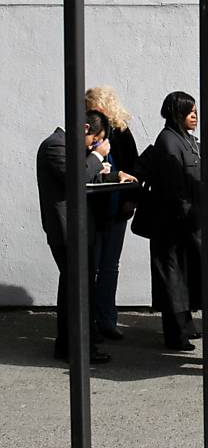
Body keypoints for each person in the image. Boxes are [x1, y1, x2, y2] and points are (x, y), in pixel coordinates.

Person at [36, 110, 134, 363]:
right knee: (76, 292)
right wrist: (96, 156)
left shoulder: (68, 147)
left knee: (78, 290)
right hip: (68, 232)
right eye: (95, 139)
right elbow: (76, 178)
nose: (94, 145)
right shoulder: (55, 146)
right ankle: (75, 349)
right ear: (85, 128)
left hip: (80, 229)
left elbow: (88, 177)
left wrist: (113, 175)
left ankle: (73, 347)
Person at [147, 92, 203, 351]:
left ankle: (186, 326)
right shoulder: (168, 141)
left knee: (185, 276)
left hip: (187, 221)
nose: (195, 116)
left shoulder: (186, 140)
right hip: (172, 225)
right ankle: (175, 334)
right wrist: (189, 217)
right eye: (189, 112)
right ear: (176, 114)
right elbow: (174, 188)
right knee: (172, 279)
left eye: (195, 111)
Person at [85, 86, 141, 341]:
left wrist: (130, 199)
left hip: (116, 207)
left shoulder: (120, 132)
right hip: (94, 208)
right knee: (92, 266)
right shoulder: (87, 133)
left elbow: (133, 166)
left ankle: (106, 319)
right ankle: (92, 322)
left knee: (109, 266)